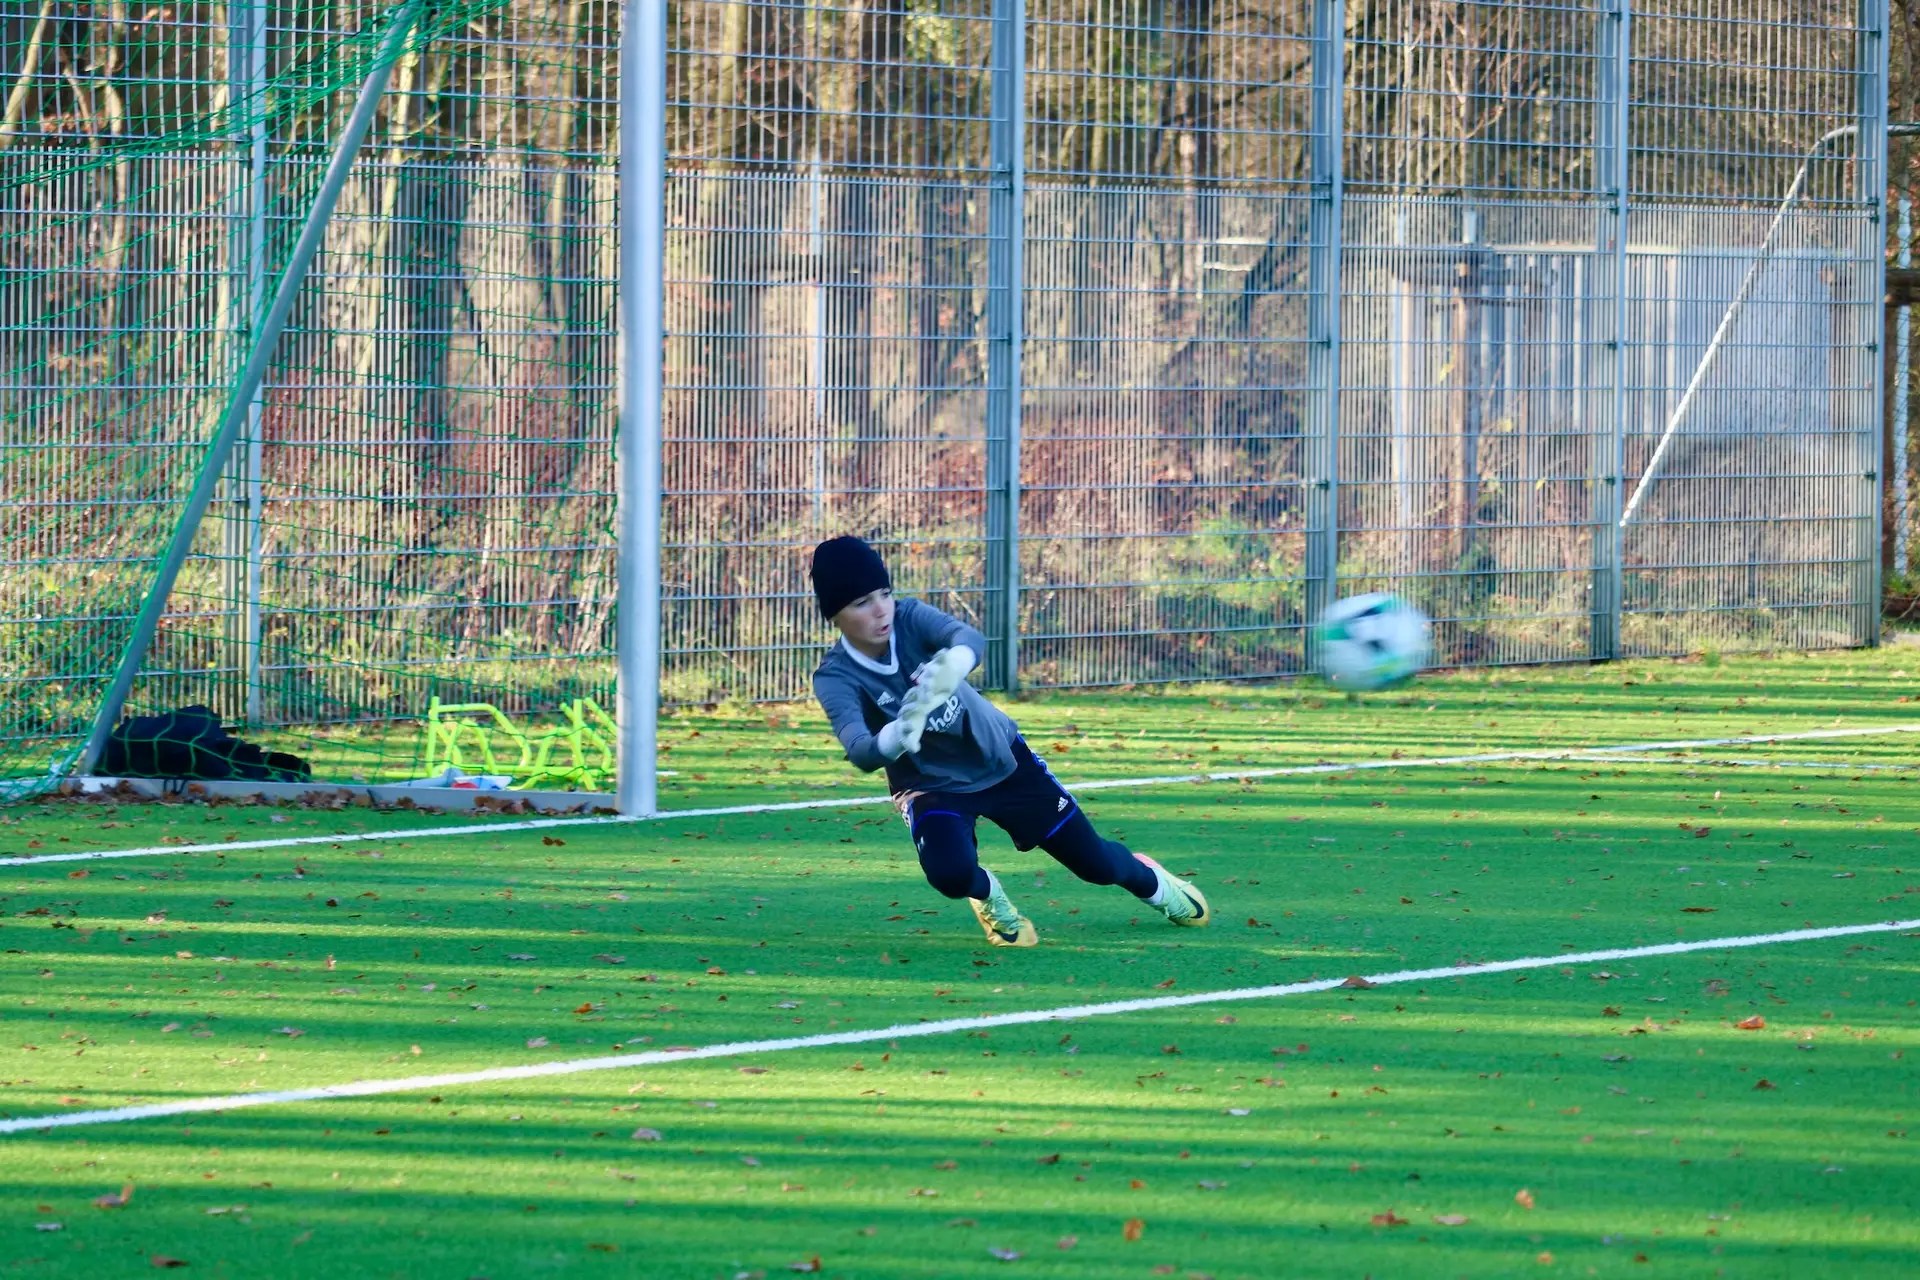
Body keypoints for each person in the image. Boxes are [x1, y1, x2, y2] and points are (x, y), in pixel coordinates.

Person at [808, 534, 1210, 947]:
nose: (880, 609)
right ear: (834, 615)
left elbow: (967, 637)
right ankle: (989, 898)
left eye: (885, 593)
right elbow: (859, 749)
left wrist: (955, 664)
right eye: (861, 602)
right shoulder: (835, 676)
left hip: (1002, 762)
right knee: (949, 874)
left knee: (1097, 866)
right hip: (931, 787)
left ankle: (1154, 884)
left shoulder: (908, 617)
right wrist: (895, 735)